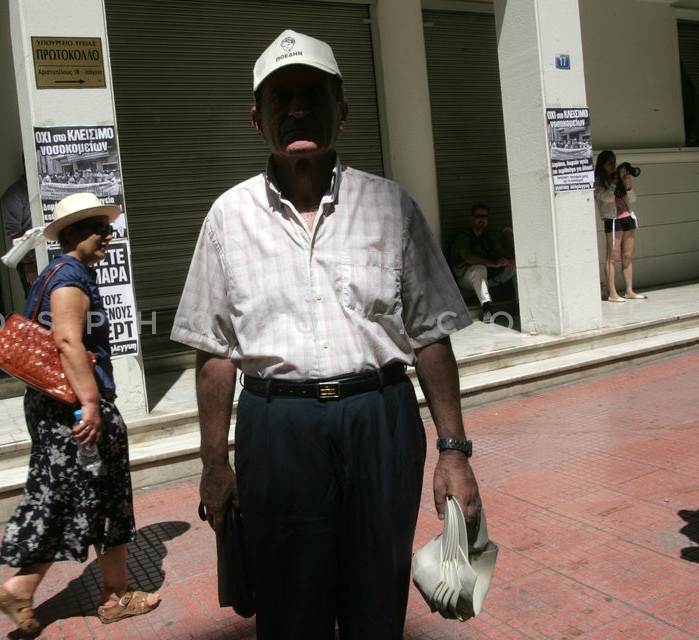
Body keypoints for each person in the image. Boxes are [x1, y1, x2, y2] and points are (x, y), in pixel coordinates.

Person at [171, 30, 482, 640]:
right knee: (289, 609)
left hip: (381, 419)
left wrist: (454, 451)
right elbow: (214, 356)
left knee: (377, 601)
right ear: (256, 121)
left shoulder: (391, 205)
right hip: (276, 431)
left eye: (313, 93)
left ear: (343, 109)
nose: (296, 108)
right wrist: (214, 462)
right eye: (279, 97)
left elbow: (431, 335)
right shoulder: (227, 218)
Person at [0, 193, 160, 633]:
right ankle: (48, 588)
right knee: (98, 497)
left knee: (73, 494)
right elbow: (68, 342)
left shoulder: (56, 272)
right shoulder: (70, 277)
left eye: (108, 228)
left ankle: (63, 591)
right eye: (99, 229)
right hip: (74, 409)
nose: (108, 235)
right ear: (73, 234)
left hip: (54, 406)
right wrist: (90, 404)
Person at [594, 149, 645, 302]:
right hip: (613, 220)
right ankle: (613, 293)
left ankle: (629, 290)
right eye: (609, 162)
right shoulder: (598, 181)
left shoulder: (618, 178)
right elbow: (606, 199)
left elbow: (632, 199)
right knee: (612, 257)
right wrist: (614, 183)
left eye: (614, 161)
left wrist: (627, 184)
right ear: (602, 164)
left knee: (627, 256)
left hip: (627, 217)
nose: (613, 164)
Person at [451, 203, 516, 323]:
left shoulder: (487, 236)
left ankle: (519, 302)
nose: (482, 219)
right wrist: (492, 263)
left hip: (487, 280)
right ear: (472, 219)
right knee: (480, 268)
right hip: (467, 279)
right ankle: (487, 309)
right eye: (478, 216)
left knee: (514, 265)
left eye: (485, 217)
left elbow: (501, 250)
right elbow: (468, 258)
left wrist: (510, 259)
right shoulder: (463, 236)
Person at [0, 172, 37, 295]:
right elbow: (15, 233)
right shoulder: (14, 194)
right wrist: (28, 263)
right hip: (31, 261)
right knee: (37, 306)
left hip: (53, 256)